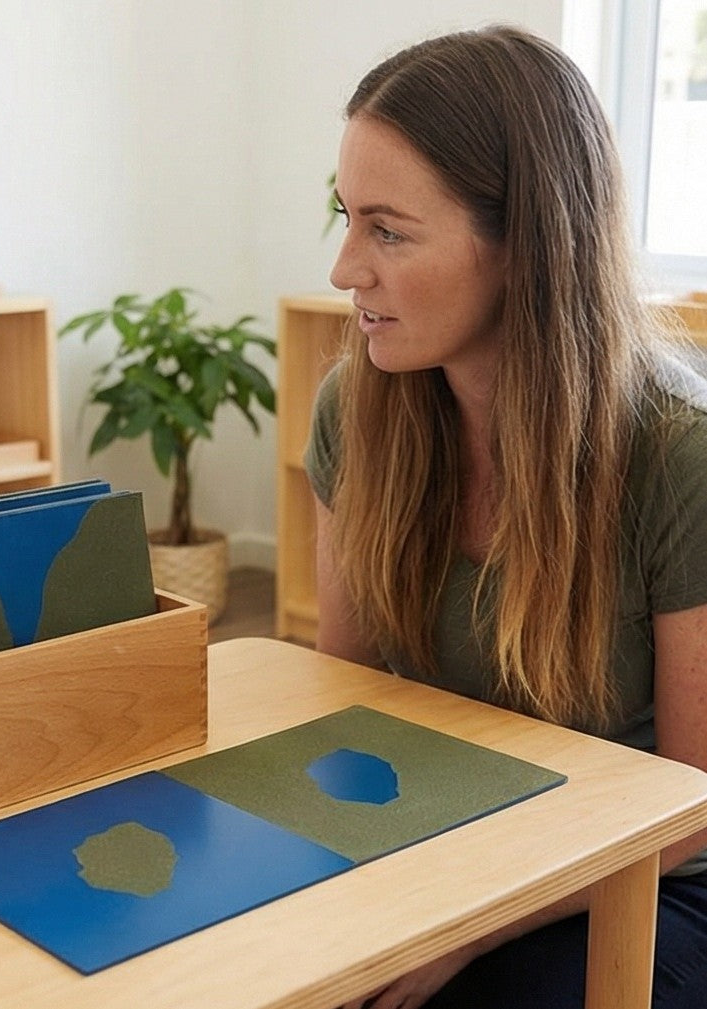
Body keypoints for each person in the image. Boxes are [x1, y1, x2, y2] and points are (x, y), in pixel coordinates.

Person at [307, 24, 707, 1009]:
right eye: (345, 218)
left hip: (646, 875)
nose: (345, 268)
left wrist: (470, 920)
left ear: (525, 245)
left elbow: (694, 803)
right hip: (448, 834)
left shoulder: (679, 455)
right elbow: (340, 704)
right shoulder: (355, 410)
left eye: (387, 231)